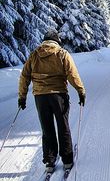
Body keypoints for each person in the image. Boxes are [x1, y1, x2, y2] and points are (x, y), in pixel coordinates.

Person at [18, 28, 86, 173]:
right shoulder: (62, 53)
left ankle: (50, 161)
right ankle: (67, 160)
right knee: (63, 126)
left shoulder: (34, 54)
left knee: (46, 128)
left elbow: (24, 76)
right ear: (56, 41)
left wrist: (22, 97)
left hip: (40, 97)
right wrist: (81, 91)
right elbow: (72, 74)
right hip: (59, 95)